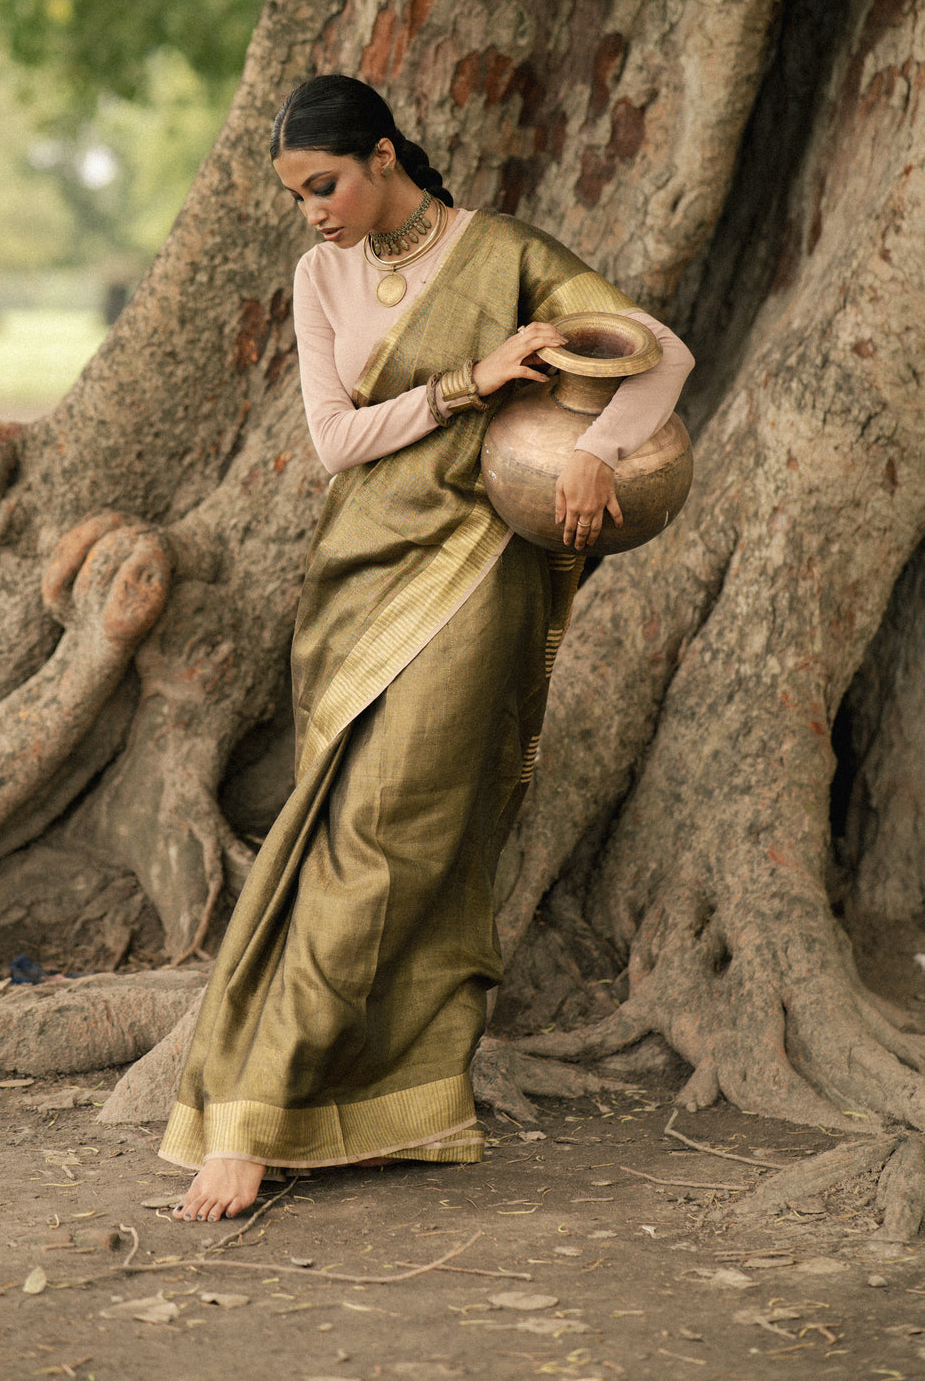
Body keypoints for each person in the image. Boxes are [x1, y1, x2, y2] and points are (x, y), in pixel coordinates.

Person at [162, 74, 694, 1221]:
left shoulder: (501, 253)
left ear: (384, 156)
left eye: (325, 185)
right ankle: (380, 1098)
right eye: (298, 194)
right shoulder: (320, 275)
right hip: (358, 578)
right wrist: (467, 381)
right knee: (335, 827)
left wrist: (598, 449)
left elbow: (660, 356)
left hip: (475, 574)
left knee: (394, 832)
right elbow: (333, 439)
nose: (312, 211)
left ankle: (258, 1115)